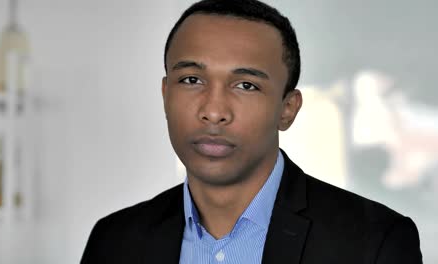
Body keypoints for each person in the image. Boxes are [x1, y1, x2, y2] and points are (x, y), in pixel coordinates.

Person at [81, 0, 422, 263]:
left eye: (245, 85)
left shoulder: (374, 242)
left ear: (288, 109)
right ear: (165, 94)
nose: (213, 111)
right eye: (191, 80)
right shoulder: (115, 241)